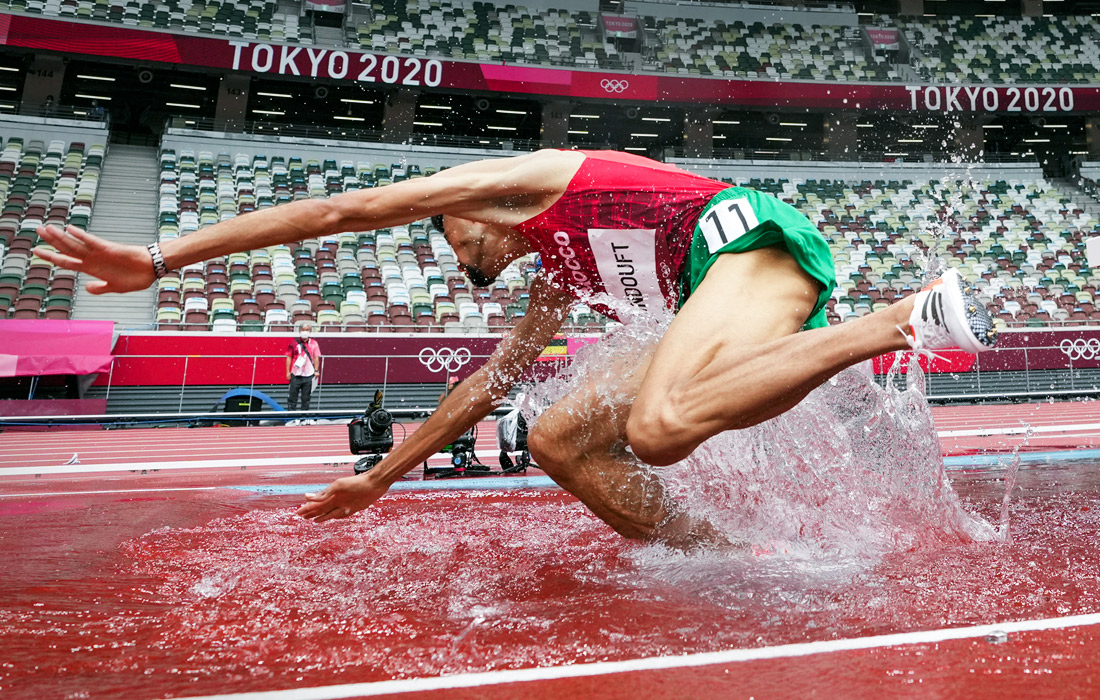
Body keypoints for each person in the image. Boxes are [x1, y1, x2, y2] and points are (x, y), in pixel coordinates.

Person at [32, 149, 997, 548]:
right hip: (716, 291)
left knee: (659, 428)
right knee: (560, 439)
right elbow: (488, 385)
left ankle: (898, 321)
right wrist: (384, 477)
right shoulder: (556, 275)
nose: (458, 258)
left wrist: (162, 256)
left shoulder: (523, 183)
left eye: (449, 237)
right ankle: (715, 550)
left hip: (745, 240)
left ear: (467, 207)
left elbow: (340, 209)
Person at [286, 321, 321, 413]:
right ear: (299, 331)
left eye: (307, 330)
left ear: (310, 331)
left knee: (306, 398)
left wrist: (316, 370)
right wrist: (287, 372)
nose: (305, 331)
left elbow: (316, 357)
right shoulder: (293, 343)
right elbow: (289, 357)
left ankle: (304, 417)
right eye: (303, 330)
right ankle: (291, 417)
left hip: (309, 374)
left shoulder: (314, 343)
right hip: (295, 374)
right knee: (292, 397)